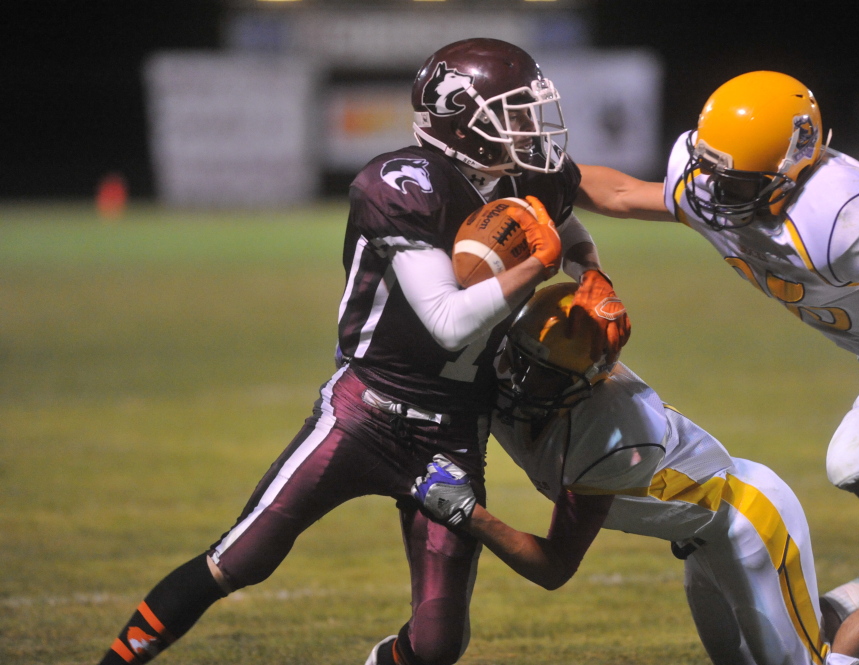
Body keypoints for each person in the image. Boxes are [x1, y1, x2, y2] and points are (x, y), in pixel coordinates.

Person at [95, 38, 631, 665]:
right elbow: (446, 322)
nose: (529, 128)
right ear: (462, 119)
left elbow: (562, 222)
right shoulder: (402, 182)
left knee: (437, 645)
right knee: (241, 559)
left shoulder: (522, 180)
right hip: (367, 411)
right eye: (511, 114)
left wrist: (588, 265)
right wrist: (537, 266)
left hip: (453, 430)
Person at [575, 70, 859, 660]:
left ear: (793, 167)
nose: (712, 194)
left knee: (856, 454)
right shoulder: (721, 185)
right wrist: (535, 176)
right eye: (710, 174)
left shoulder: (836, 209)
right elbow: (619, 193)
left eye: (735, 182)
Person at [411, 282, 859, 665]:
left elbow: (554, 567)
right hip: (700, 539)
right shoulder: (533, 365)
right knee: (786, 633)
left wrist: (469, 516)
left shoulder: (609, 431)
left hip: (748, 526)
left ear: (589, 382)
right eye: (518, 361)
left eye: (543, 377)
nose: (520, 383)